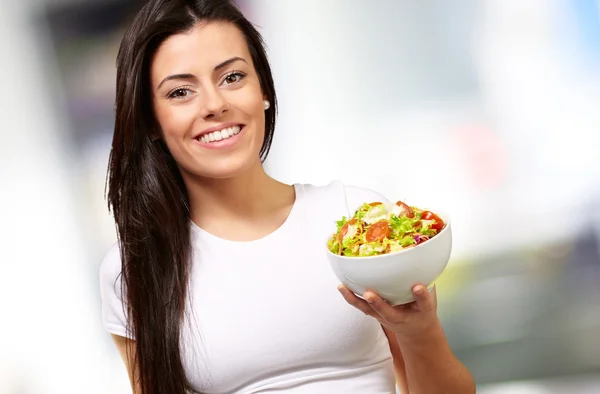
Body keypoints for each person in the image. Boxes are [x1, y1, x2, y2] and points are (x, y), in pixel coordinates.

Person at [99, 0, 476, 393]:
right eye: (180, 91)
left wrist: (420, 330)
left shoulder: (358, 225)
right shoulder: (133, 268)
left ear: (262, 88)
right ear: (151, 121)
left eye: (232, 77)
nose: (215, 105)